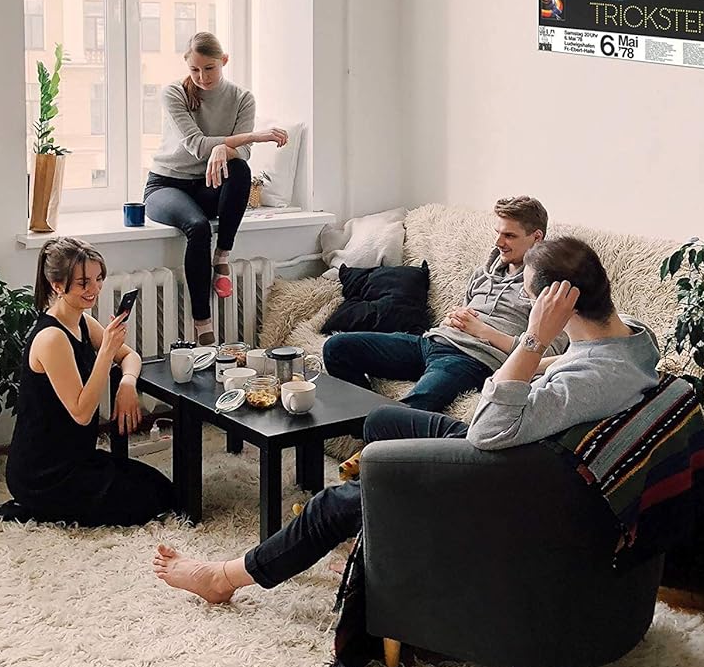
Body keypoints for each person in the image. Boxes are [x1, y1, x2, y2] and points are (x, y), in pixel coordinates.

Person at [151, 235, 658, 603]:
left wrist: (533, 339)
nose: (526, 300)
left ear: (558, 303)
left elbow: (489, 428)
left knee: (333, 502)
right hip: (522, 439)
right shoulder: (631, 339)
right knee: (382, 422)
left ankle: (224, 577)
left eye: (529, 295)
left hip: (503, 470)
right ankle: (374, 521)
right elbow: (572, 368)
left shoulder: (587, 380)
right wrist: (541, 358)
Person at [0, 238, 177, 527]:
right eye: (84, 283)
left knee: (163, 490)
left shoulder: (81, 321)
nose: (94, 289)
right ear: (57, 285)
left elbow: (129, 356)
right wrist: (105, 352)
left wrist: (127, 384)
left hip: (78, 457)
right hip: (44, 473)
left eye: (98, 279)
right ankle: (37, 506)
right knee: (146, 504)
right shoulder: (52, 338)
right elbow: (81, 413)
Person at [322, 196, 557, 412]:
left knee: (411, 410)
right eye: (498, 233)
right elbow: (466, 312)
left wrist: (483, 331)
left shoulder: (548, 287)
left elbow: (544, 352)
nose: (498, 242)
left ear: (537, 237)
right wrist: (452, 319)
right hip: (431, 342)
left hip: (471, 360)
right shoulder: (483, 274)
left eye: (509, 236)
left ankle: (378, 432)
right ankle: (364, 423)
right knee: (337, 347)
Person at [144, 31, 288, 345]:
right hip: (167, 185)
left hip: (207, 185)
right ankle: (203, 324)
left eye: (209, 68)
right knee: (197, 228)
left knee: (240, 169)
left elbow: (242, 155)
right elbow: (197, 146)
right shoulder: (174, 93)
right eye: (195, 70)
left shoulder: (242, 99)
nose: (202, 77)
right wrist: (253, 136)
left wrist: (225, 148)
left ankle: (222, 254)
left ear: (224, 61)